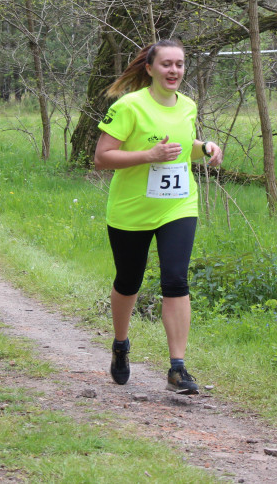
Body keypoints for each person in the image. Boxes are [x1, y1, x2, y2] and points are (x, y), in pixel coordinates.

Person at [93, 39, 223, 394]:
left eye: (179, 64)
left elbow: (181, 148)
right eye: (166, 64)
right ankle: (121, 344)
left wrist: (206, 148)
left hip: (178, 205)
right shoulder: (128, 106)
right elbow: (102, 157)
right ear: (149, 68)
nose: (174, 71)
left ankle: (177, 368)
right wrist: (148, 155)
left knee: (176, 279)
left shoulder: (189, 106)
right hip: (131, 210)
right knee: (128, 280)